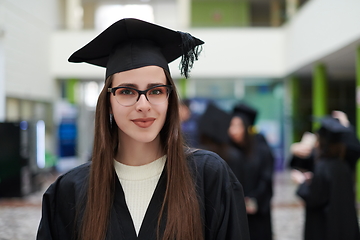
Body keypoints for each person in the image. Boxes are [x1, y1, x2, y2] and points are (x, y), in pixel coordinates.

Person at [36, 18, 250, 240]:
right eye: (127, 91)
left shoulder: (208, 176)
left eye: (156, 91)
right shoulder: (69, 190)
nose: (143, 105)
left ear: (169, 99)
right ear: (108, 102)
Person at [291, 116, 360, 240]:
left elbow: (314, 197)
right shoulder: (344, 165)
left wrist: (302, 182)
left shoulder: (322, 167)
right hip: (344, 225)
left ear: (322, 142)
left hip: (324, 226)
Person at [225, 103, 274, 240]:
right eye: (231, 126)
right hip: (236, 210)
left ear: (247, 128)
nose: (233, 130)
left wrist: (253, 200)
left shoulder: (261, 150)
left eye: (238, 126)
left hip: (257, 211)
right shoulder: (228, 152)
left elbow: (266, 178)